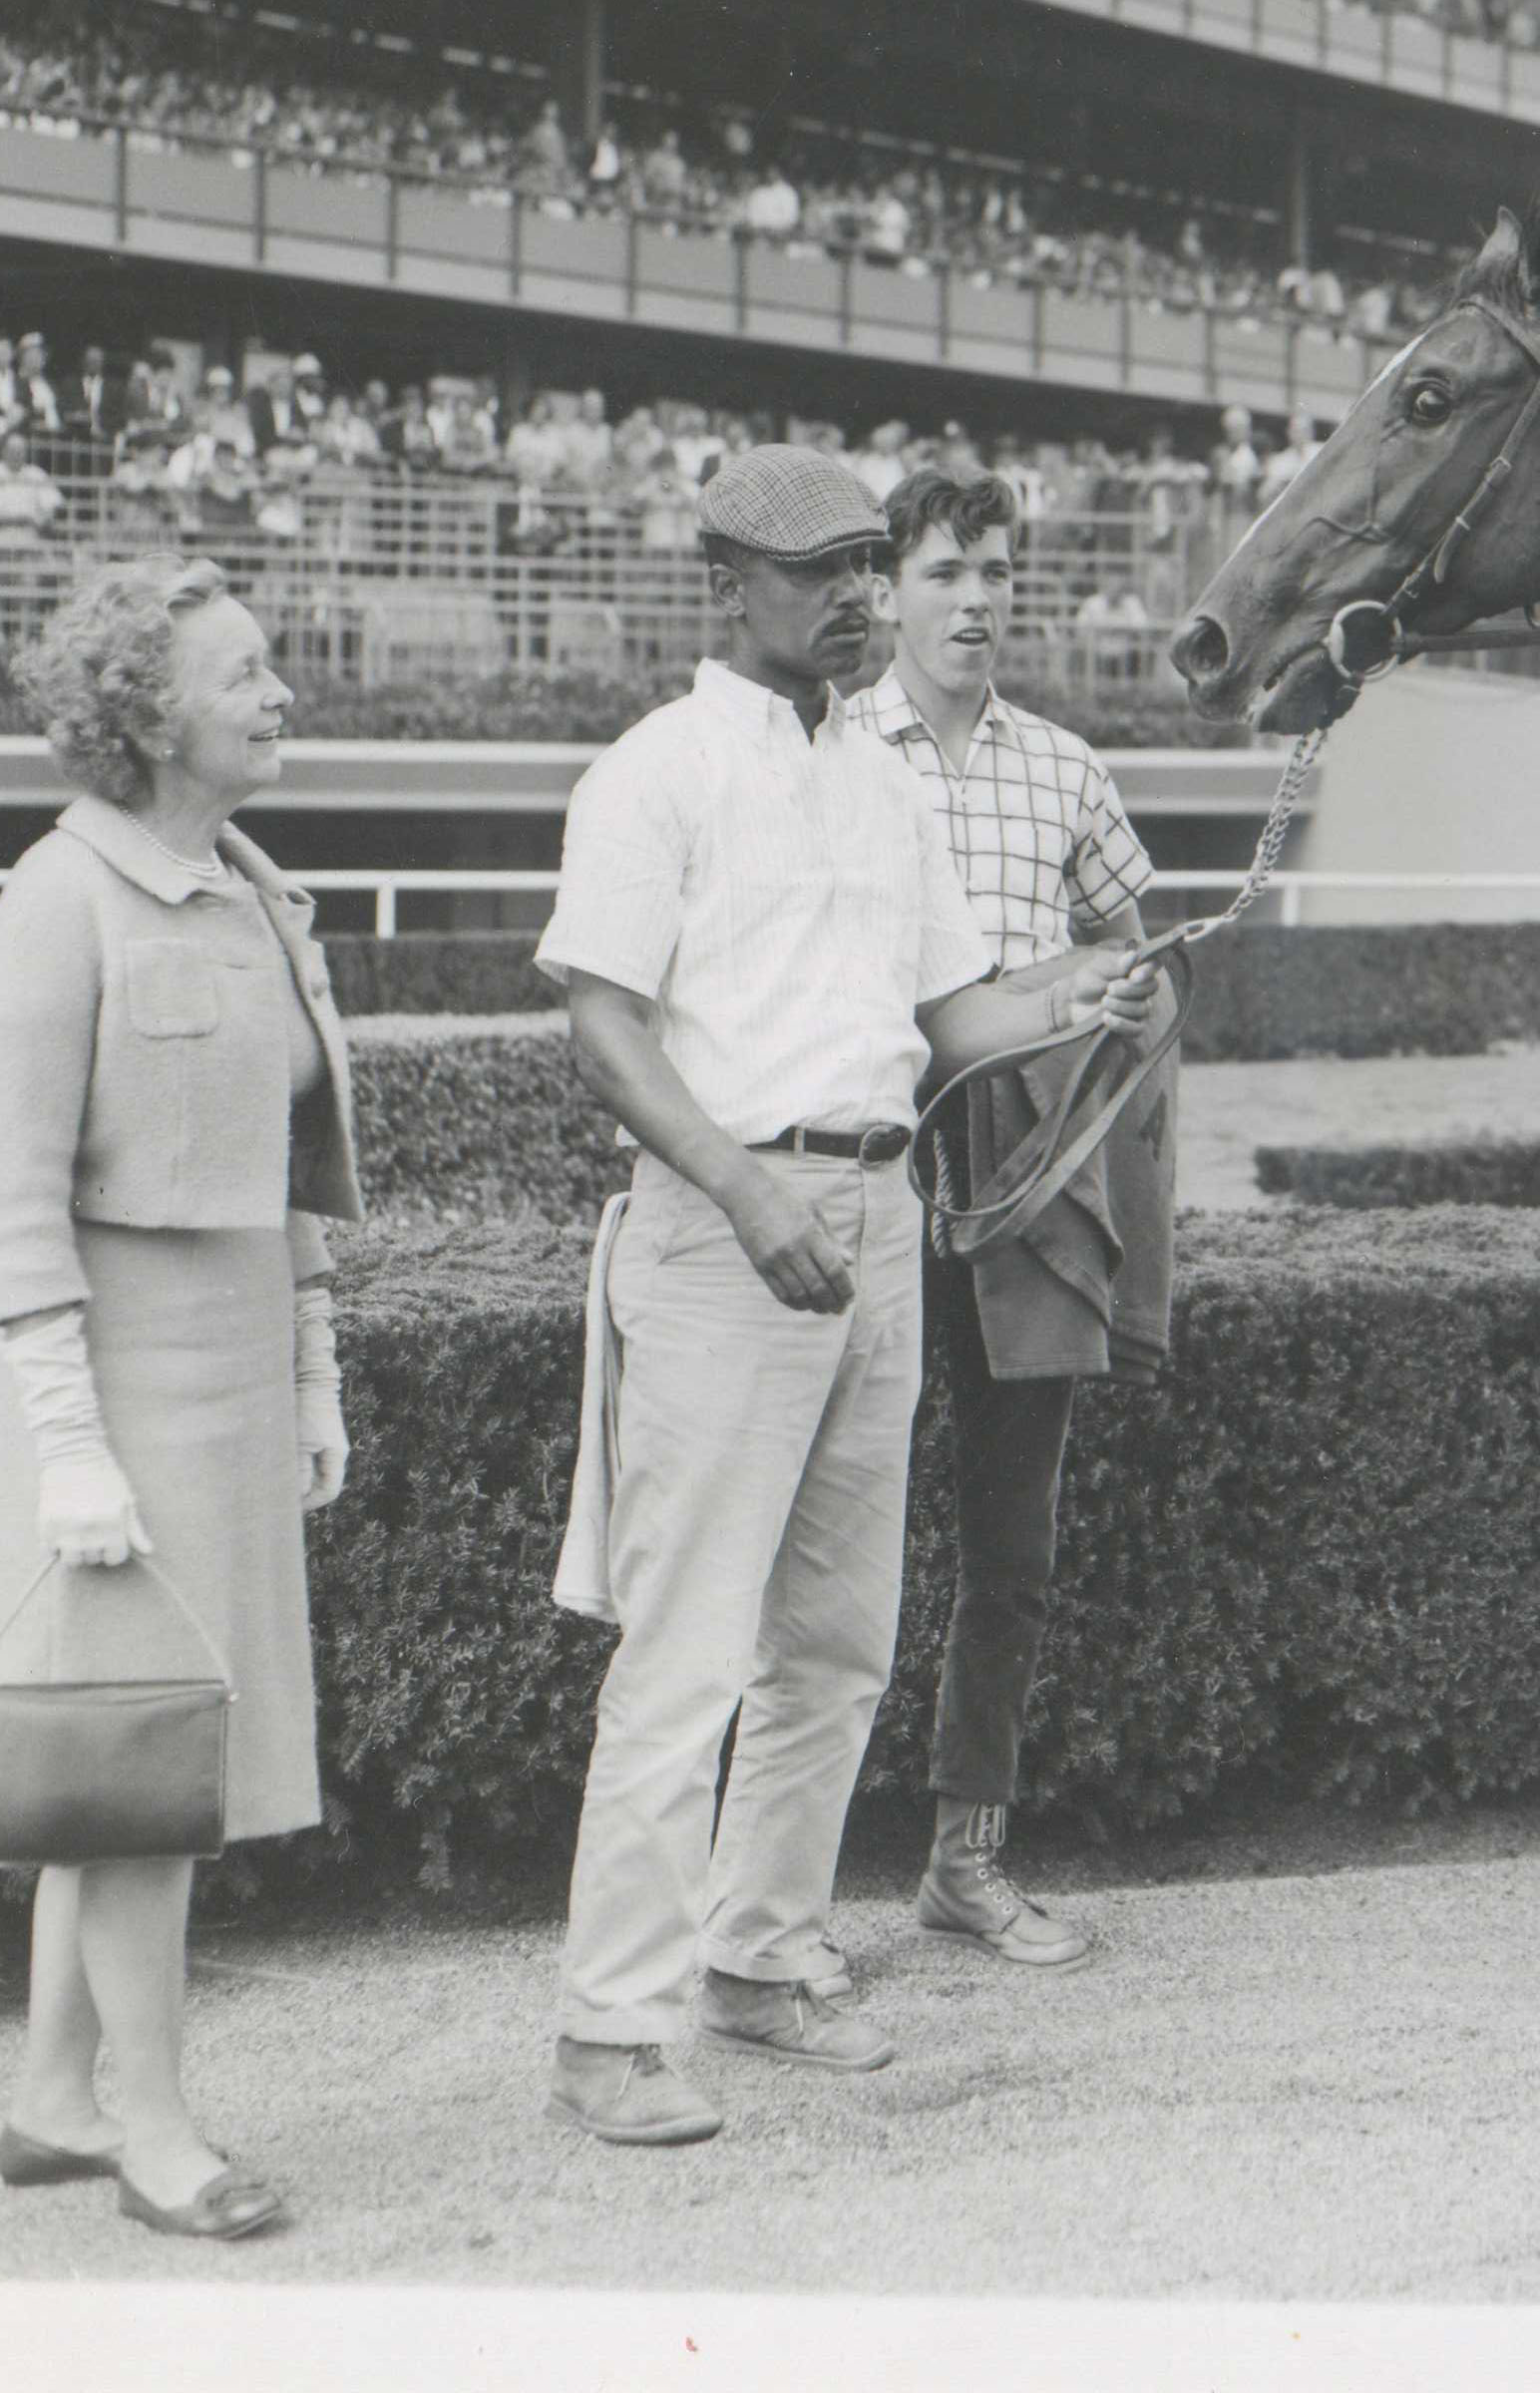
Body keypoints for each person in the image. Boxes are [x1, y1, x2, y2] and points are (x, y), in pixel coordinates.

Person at [537, 449, 1171, 2148]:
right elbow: (601, 1022)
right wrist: (747, 1196)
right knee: (685, 1649)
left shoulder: (883, 789)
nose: (859, 595)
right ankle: (609, 2025)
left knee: (834, 1643)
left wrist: (1082, 989)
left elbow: (953, 1018)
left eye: (866, 565)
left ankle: (756, 1954)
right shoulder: (652, 773)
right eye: (821, 567)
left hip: (882, 1219)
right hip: (726, 1220)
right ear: (722, 582)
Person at [0, 558, 367, 2243]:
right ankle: (158, 2129)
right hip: (109, 1394)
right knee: (138, 1766)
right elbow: (18, 1216)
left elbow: (282, 1171)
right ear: (147, 716)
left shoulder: (247, 886)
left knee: (138, 1763)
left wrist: (315, 1366)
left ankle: (56, 2099)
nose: (280, 695)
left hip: (228, 1382)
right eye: (246, 674)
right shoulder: (59, 905)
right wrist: (66, 1447)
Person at [840, 463, 1176, 1975]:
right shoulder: (835, 749)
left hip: (1029, 1178)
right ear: (888, 591)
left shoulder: (1065, 766)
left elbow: (1145, 953)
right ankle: (769, 1908)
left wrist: (1136, 986)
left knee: (1010, 1544)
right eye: (942, 572)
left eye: (993, 571)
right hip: (862, 1162)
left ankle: (965, 1862)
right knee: (828, 1555)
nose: (973, 598)